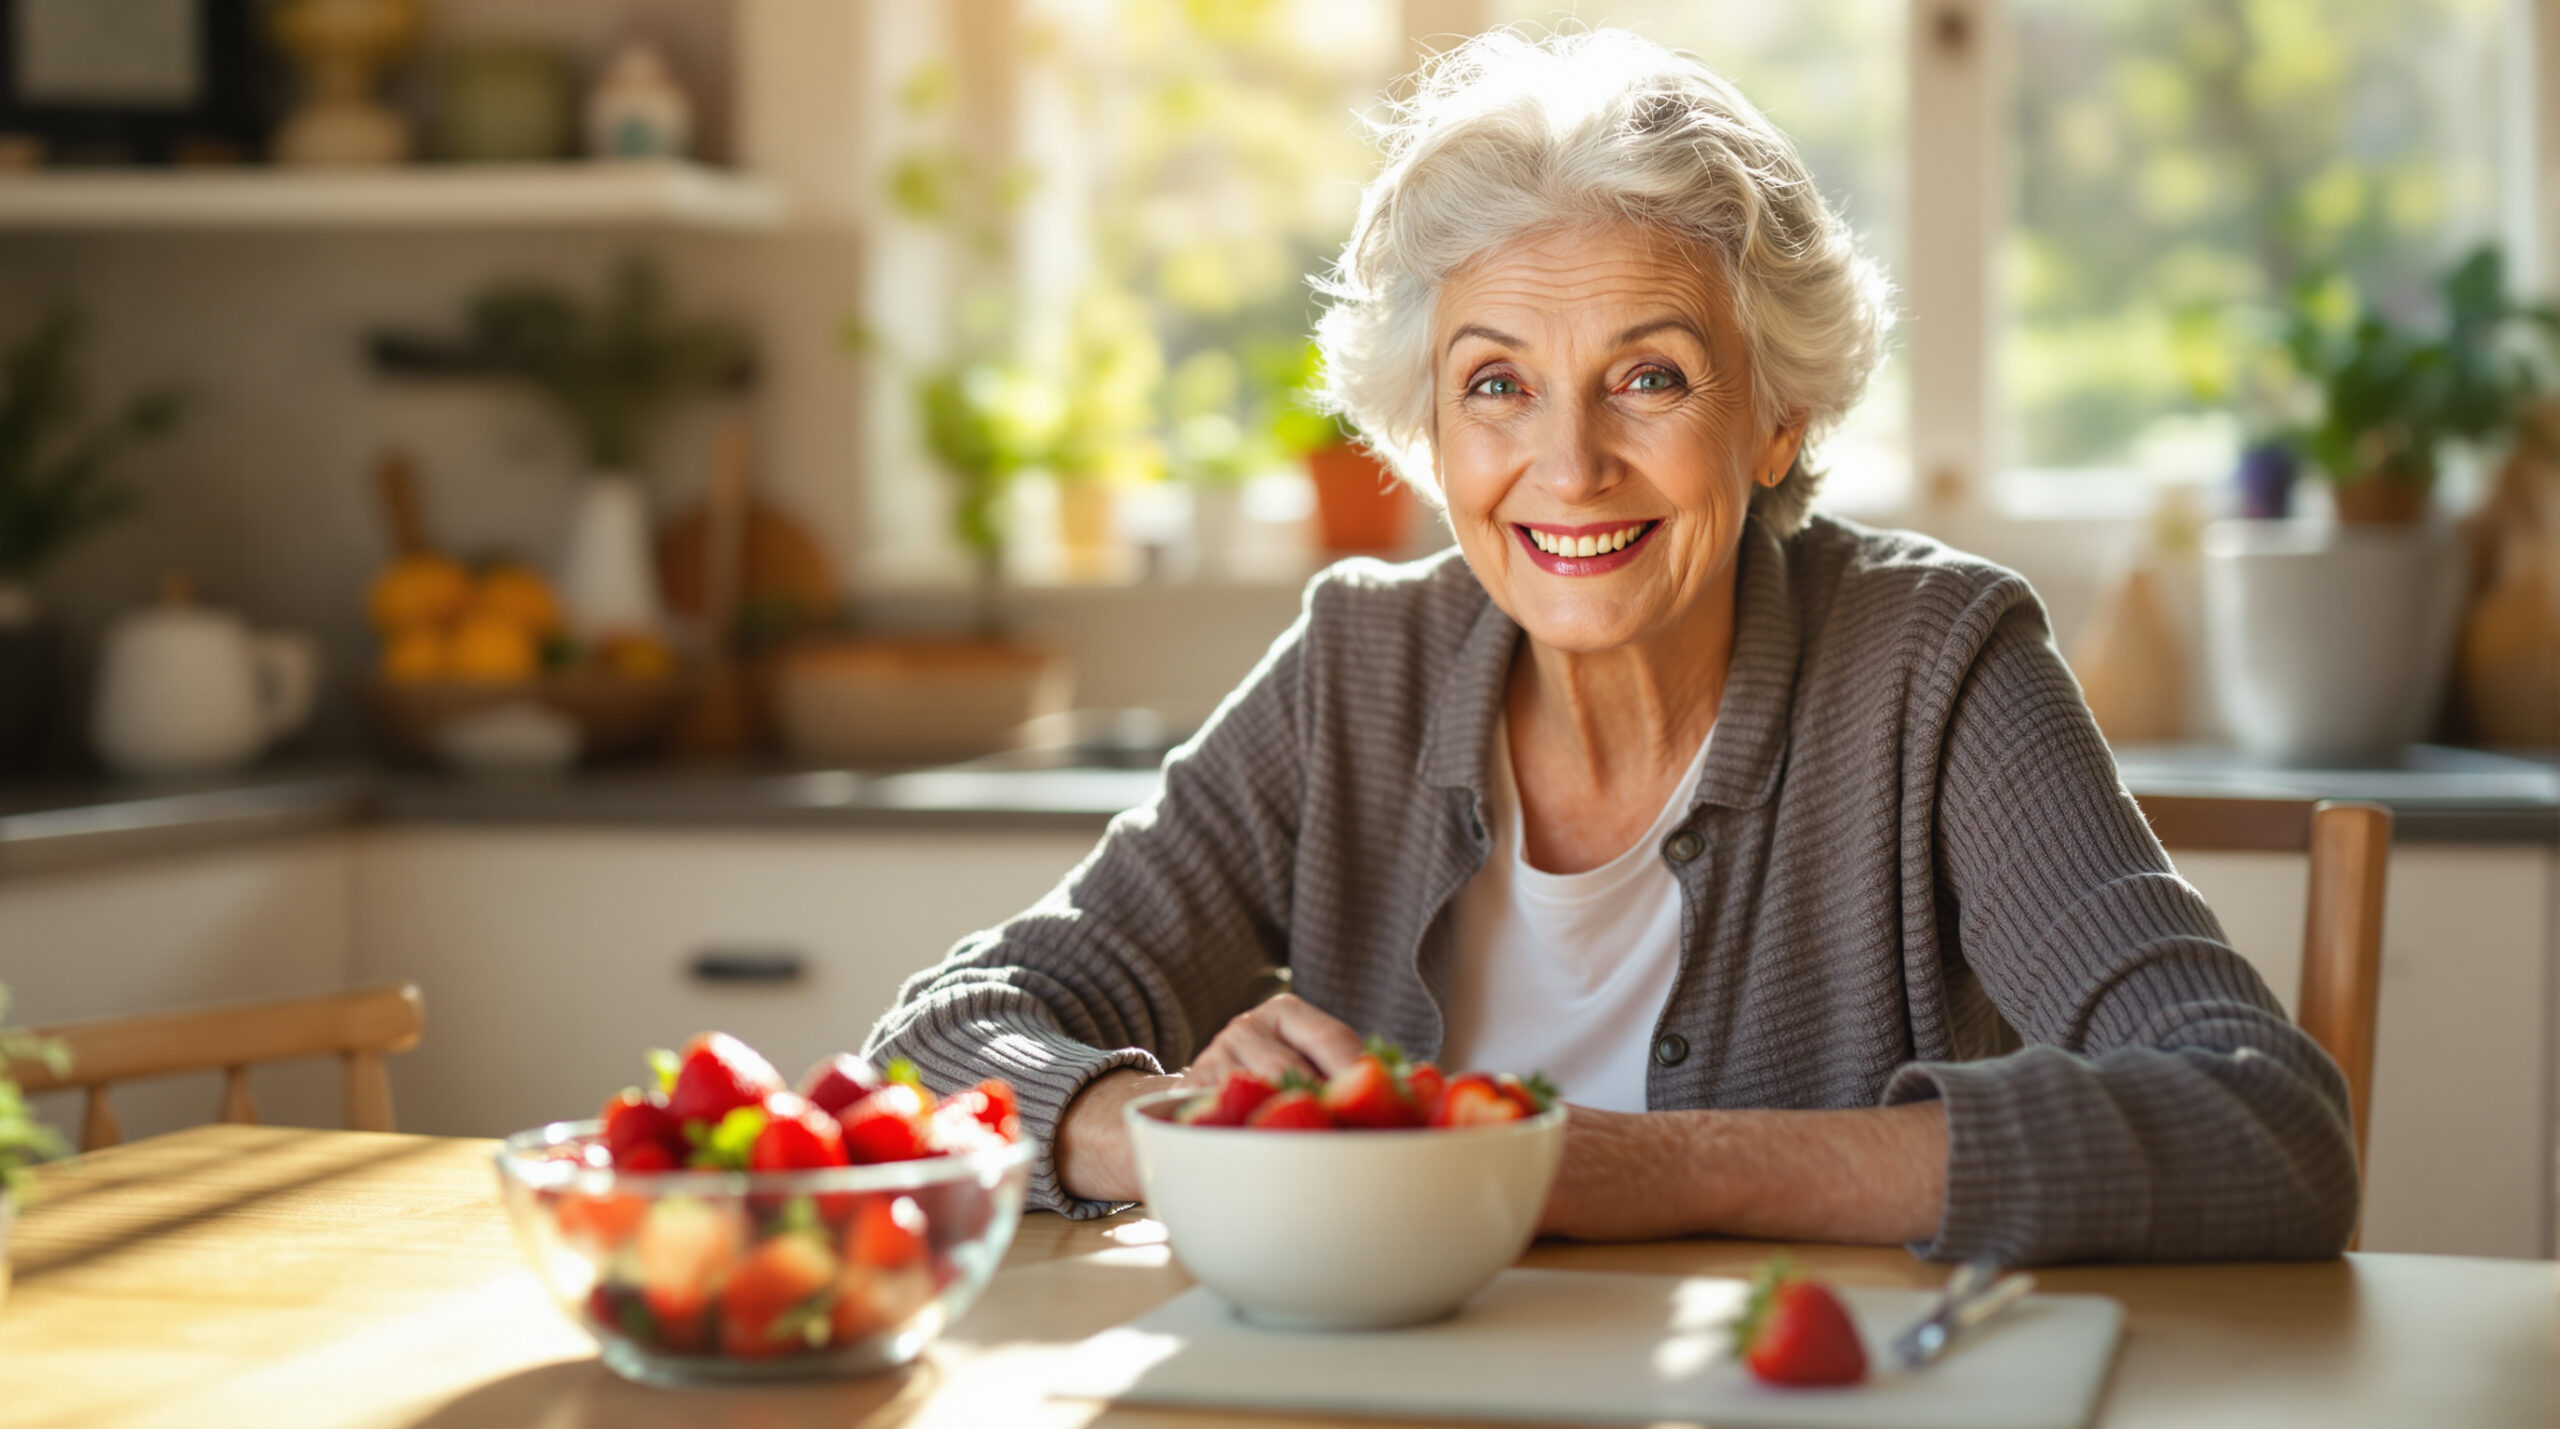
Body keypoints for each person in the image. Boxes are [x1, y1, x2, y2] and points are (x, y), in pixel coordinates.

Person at [863, 28, 2358, 1265]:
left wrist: (1642, 1166)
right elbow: (929, 1049)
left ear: (1776, 418)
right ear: (1429, 426)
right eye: (1496, 384)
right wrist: (1155, 1126)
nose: (1569, 467)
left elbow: (2265, 1123)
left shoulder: (1933, 665)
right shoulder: (1358, 673)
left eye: (1650, 376)